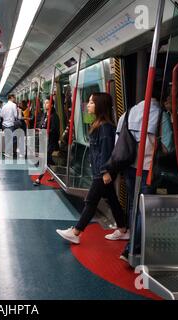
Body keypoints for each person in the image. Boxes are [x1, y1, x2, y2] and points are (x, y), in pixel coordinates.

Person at [56, 93, 128, 244]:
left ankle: (76, 232)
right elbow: (86, 119)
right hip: (100, 171)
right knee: (112, 200)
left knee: (91, 201)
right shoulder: (97, 124)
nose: (87, 105)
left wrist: (106, 171)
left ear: (100, 106)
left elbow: (106, 152)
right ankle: (123, 229)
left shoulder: (106, 128)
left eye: (91, 103)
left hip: (102, 172)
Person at [110, 92, 174, 262]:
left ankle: (133, 242)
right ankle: (133, 248)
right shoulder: (162, 115)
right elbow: (169, 147)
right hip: (148, 169)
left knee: (133, 205)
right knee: (144, 208)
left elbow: (118, 142)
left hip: (130, 167)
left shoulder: (129, 112)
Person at [33, 98, 59, 186]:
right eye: (44, 103)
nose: (45, 104)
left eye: (47, 102)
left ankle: (39, 179)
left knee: (45, 159)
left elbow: (55, 130)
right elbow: (41, 125)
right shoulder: (44, 115)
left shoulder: (54, 116)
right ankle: (56, 173)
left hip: (51, 141)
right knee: (49, 159)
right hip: (44, 140)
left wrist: (44, 131)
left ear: (51, 105)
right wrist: (40, 129)